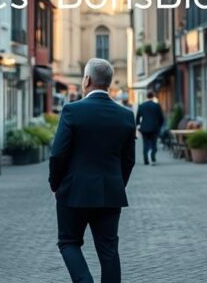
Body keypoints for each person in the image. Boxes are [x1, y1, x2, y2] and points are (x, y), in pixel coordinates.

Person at [49, 58, 136, 283]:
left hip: (73, 192)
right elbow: (129, 160)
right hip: (110, 192)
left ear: (87, 80)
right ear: (108, 83)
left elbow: (58, 154)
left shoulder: (72, 111)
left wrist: (55, 184)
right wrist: (117, 183)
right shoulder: (126, 115)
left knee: (68, 242)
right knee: (108, 250)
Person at [135, 91, 166, 166]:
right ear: (153, 96)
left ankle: (146, 160)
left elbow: (137, 118)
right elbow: (161, 118)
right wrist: (159, 126)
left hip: (144, 128)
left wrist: (138, 126)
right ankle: (152, 156)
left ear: (147, 96)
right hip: (154, 128)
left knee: (145, 144)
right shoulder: (156, 105)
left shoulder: (141, 106)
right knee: (154, 143)